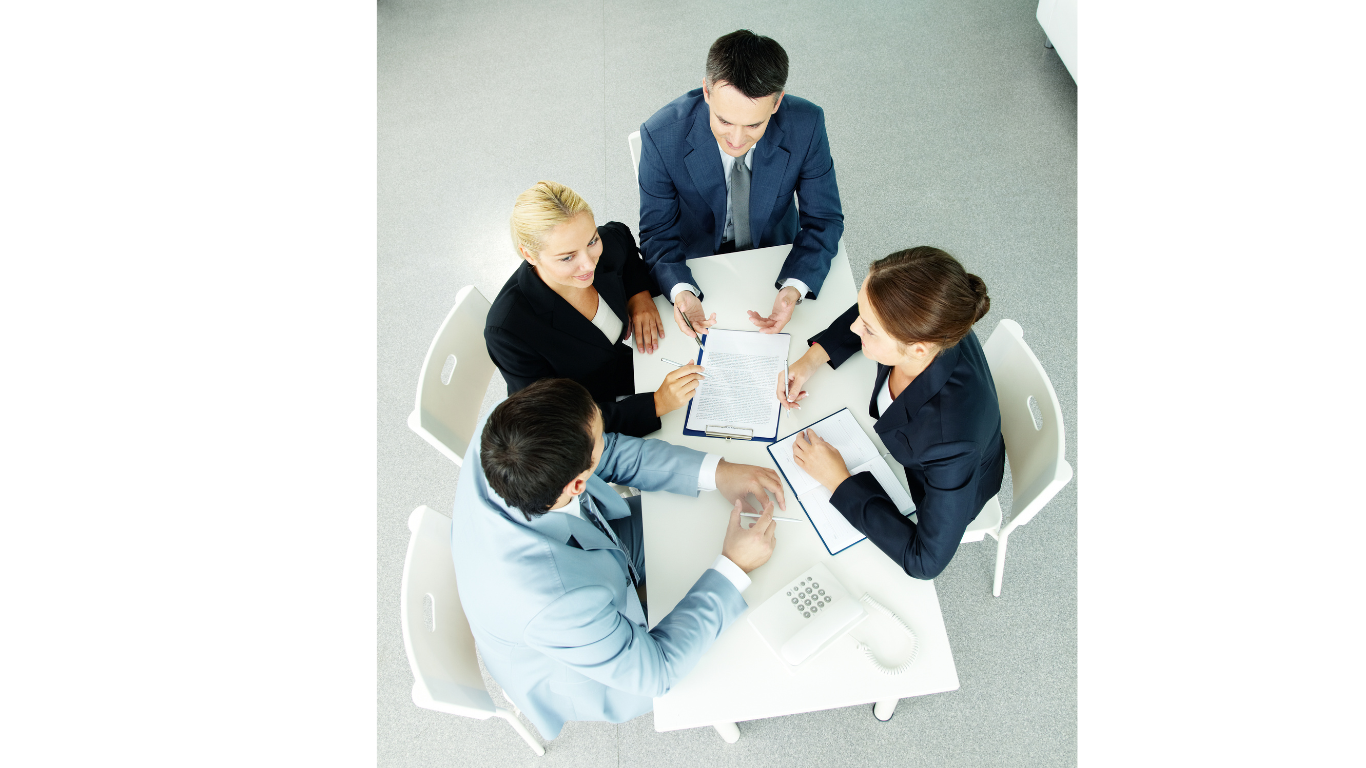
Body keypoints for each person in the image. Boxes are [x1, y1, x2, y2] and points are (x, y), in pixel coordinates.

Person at [451, 378, 785, 740]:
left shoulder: (505, 430)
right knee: (742, 641)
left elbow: (605, 452)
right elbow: (657, 671)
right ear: (576, 485)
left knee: (687, 522)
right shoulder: (555, 603)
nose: (607, 439)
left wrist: (716, 472)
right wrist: (733, 567)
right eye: (599, 440)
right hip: (592, 666)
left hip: (586, 547)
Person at [779, 247, 1005, 580]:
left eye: (869, 330)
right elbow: (874, 311)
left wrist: (837, 480)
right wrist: (813, 358)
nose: (855, 328)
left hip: (940, 484)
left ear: (917, 348)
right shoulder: (931, 319)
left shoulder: (952, 446)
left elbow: (925, 562)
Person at [637, 29, 844, 340]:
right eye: (724, 121)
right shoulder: (660, 135)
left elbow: (825, 220)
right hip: (697, 261)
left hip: (773, 254)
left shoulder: (808, 123)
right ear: (706, 92)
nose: (736, 140)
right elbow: (657, 233)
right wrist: (680, 291)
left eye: (754, 125)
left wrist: (794, 287)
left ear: (776, 103)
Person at [485, 181, 706, 437]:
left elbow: (620, 236)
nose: (589, 264)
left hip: (634, 367)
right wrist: (656, 404)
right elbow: (553, 420)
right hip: (594, 419)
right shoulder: (509, 330)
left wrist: (639, 294)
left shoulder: (599, 247)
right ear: (529, 255)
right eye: (568, 257)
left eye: (592, 241)